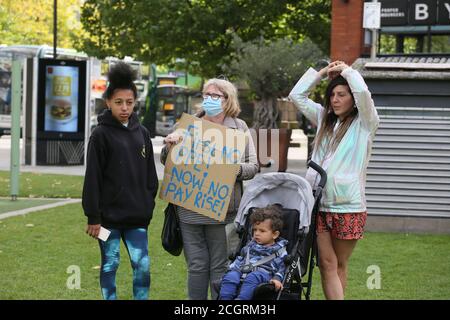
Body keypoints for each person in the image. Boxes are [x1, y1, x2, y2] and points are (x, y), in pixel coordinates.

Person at [160, 78, 259, 300]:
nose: (209, 99)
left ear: (228, 99)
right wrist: (169, 147)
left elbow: (253, 166)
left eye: (215, 96)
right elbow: (167, 161)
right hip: (189, 209)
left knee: (220, 268)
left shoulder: (239, 127)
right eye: (206, 95)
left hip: (222, 210)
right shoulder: (187, 125)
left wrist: (229, 170)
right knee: (196, 266)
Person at [289, 60, 379, 300]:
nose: (335, 100)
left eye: (342, 95)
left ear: (353, 98)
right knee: (326, 265)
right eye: (332, 95)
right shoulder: (324, 120)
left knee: (339, 265)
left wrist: (348, 71)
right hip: (318, 204)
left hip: (347, 206)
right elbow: (296, 96)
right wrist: (320, 74)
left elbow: (364, 94)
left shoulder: (365, 124)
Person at [82, 62, 158, 300]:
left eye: (129, 102)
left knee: (142, 267)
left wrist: (147, 204)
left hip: (137, 218)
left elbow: (150, 176)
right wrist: (94, 217)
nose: (124, 108)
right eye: (118, 102)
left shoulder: (142, 132)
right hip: (107, 222)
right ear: (108, 102)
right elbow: (92, 178)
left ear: (135, 102)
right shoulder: (100, 135)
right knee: (109, 265)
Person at [219, 205, 288, 300]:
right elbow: (240, 259)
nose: (257, 233)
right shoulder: (250, 245)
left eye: (262, 231)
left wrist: (277, 278)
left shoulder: (279, 251)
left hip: (263, 274)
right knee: (231, 276)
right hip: (243, 269)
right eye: (255, 230)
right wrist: (232, 269)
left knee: (253, 276)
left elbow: (282, 268)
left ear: (275, 234)